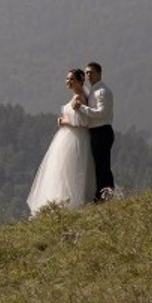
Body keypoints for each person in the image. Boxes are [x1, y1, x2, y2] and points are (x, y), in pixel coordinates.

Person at [27, 69, 96, 214]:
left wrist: (63, 121)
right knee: (64, 170)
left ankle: (71, 203)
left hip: (75, 138)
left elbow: (83, 122)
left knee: (71, 169)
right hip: (70, 137)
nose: (68, 82)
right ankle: (63, 202)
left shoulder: (79, 97)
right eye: (67, 79)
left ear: (79, 81)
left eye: (72, 79)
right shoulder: (78, 95)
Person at [74, 60, 115, 201]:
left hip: (102, 130)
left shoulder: (102, 91)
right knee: (99, 164)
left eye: (91, 73)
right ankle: (101, 193)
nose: (88, 75)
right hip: (96, 131)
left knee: (103, 164)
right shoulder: (93, 90)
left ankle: (106, 194)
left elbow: (101, 113)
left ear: (99, 73)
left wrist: (81, 108)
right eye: (87, 73)